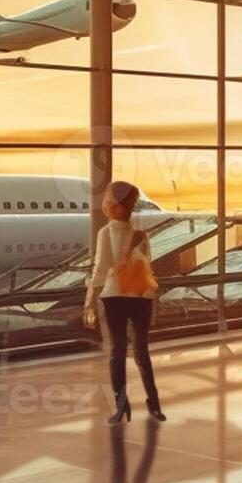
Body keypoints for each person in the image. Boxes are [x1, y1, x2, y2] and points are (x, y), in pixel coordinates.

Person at [85, 181, 164, 425]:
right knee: (142, 350)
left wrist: (89, 301)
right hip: (141, 297)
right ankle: (154, 404)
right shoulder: (140, 234)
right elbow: (146, 265)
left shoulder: (105, 233)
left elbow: (101, 269)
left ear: (113, 204)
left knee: (117, 352)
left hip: (113, 297)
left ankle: (121, 406)